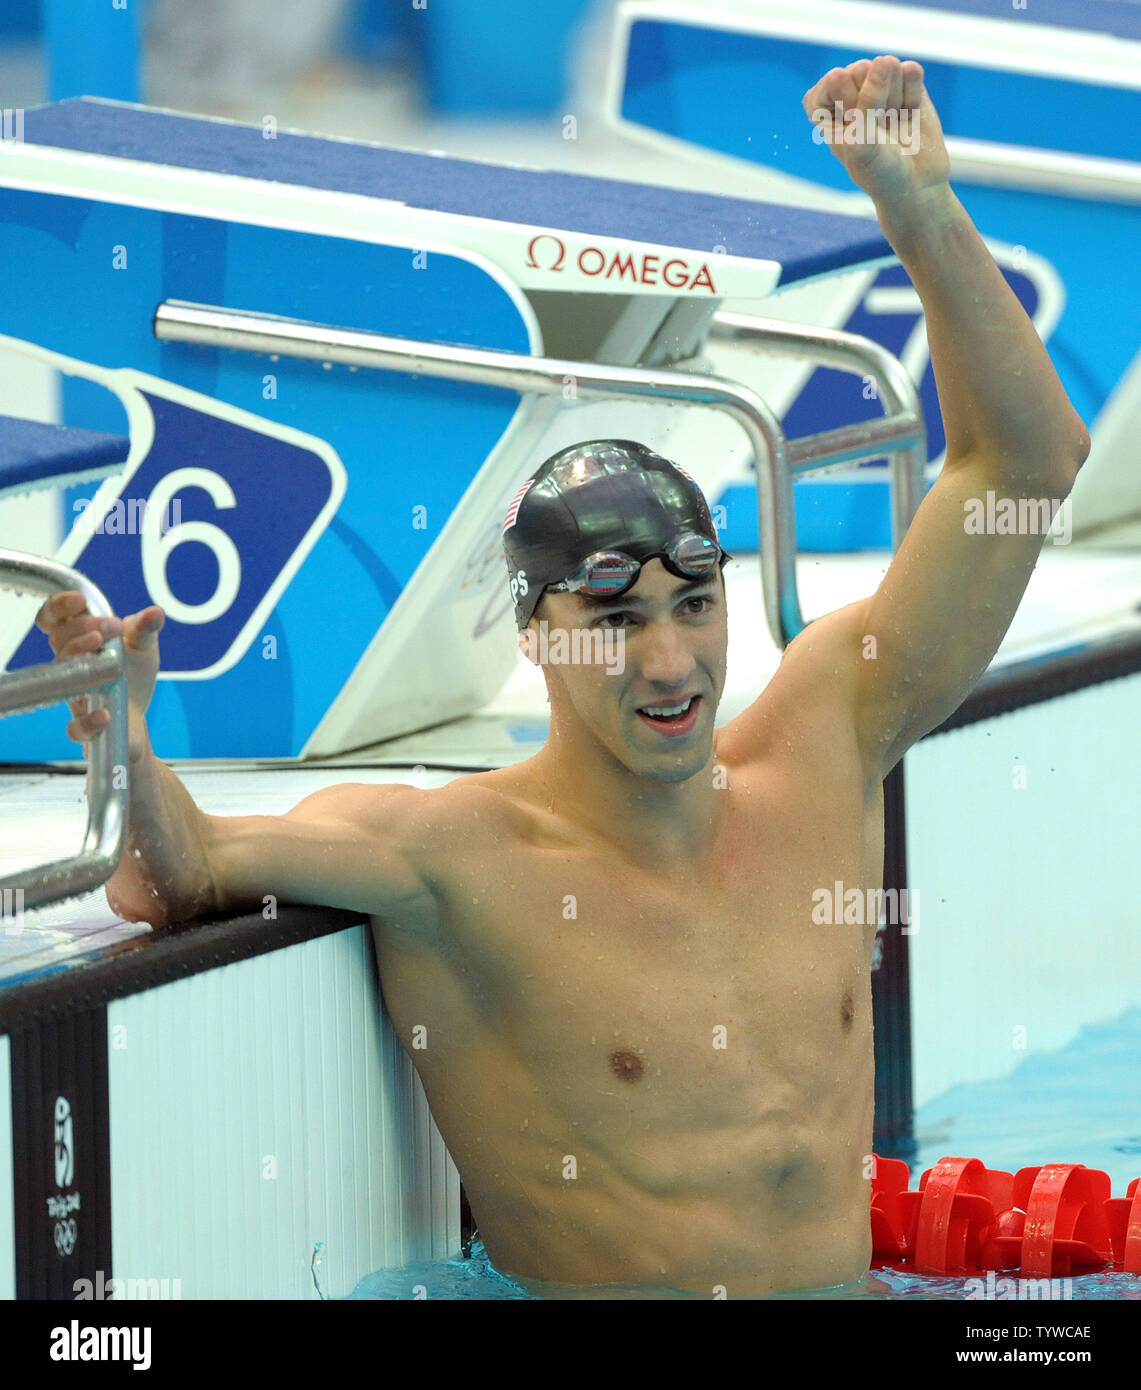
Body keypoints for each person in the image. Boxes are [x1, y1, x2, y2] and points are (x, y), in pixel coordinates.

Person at [37, 56, 1089, 1298]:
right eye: (615, 618)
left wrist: (917, 205)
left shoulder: (823, 740)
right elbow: (184, 871)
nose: (668, 661)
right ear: (533, 635)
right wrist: (125, 738)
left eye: (694, 606)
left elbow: (1025, 461)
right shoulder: (452, 860)